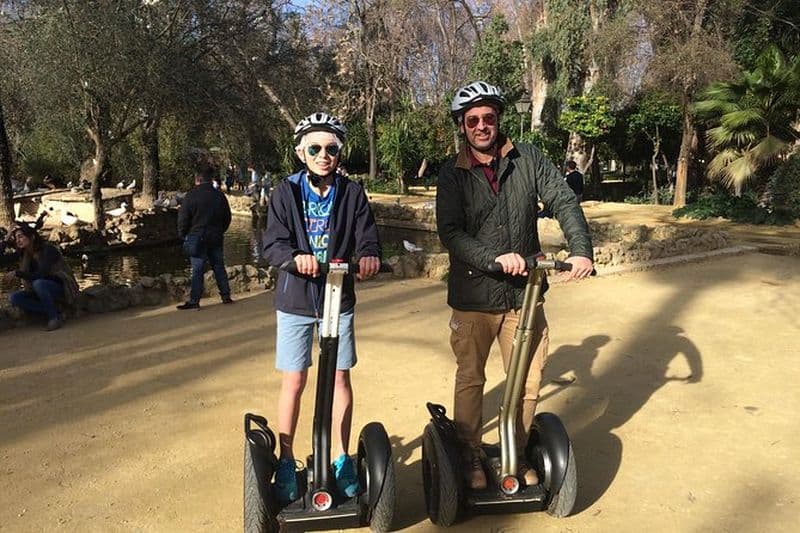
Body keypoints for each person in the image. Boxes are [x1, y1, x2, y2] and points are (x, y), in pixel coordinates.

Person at [436, 81, 594, 490]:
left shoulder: (528, 158)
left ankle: (516, 452)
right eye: (472, 120)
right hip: (474, 295)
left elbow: (563, 200)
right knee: (471, 378)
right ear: (462, 125)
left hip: (524, 295)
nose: (481, 126)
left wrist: (581, 250)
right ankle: (470, 454)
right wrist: (494, 258)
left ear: (498, 119)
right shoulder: (452, 173)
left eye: (488, 118)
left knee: (527, 382)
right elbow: (451, 232)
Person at [262, 112, 381, 504]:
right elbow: (272, 244)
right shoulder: (285, 192)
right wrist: (294, 257)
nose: (323, 155)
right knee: (295, 380)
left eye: (331, 148)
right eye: (314, 148)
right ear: (301, 153)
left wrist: (368, 256)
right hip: (296, 298)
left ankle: (342, 458)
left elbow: (367, 237)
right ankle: (286, 459)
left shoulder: (352, 193)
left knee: (340, 377)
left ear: (339, 152)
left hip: (338, 295)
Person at [176, 159, 234, 310]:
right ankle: (226, 295)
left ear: (197, 179)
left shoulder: (190, 196)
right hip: (215, 235)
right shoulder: (219, 196)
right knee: (219, 266)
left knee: (197, 270)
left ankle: (195, 300)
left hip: (197, 236)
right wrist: (220, 230)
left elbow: (183, 219)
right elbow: (227, 217)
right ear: (210, 179)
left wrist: (183, 235)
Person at [3, 223, 80, 331]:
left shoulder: (48, 250)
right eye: (16, 238)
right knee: (14, 298)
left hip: (62, 288)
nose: (18, 240)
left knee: (39, 283)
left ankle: (54, 319)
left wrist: (17, 273)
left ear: (32, 237)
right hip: (38, 289)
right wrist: (7, 238)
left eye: (20, 237)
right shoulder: (24, 254)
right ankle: (57, 311)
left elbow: (41, 274)